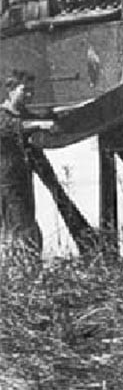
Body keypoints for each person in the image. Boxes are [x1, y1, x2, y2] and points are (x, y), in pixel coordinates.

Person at [0, 72, 43, 260]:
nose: (29, 95)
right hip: (6, 183)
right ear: (10, 90)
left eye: (32, 91)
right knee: (17, 228)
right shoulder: (2, 115)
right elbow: (14, 127)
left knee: (26, 227)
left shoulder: (25, 114)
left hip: (23, 181)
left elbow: (36, 120)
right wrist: (40, 124)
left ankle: (26, 267)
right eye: (25, 90)